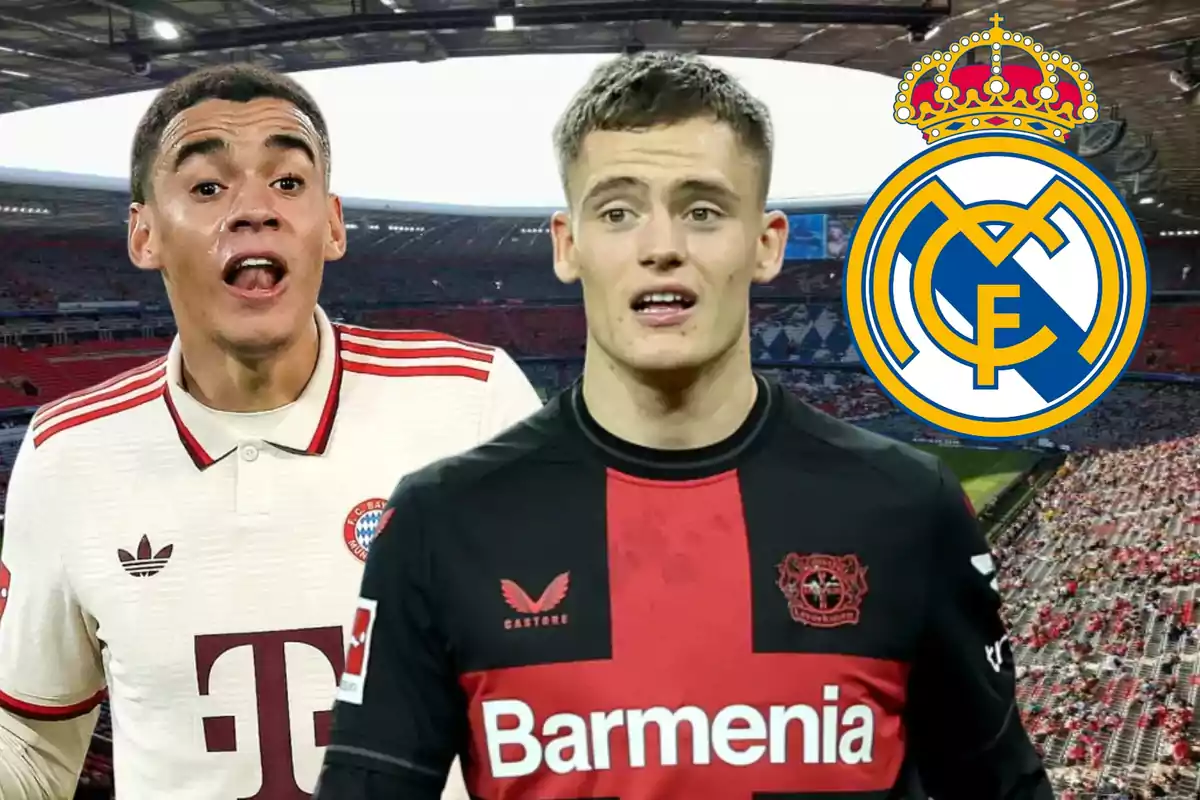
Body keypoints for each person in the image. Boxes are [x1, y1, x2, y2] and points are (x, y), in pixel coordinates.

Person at [315, 51, 1054, 799]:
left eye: (702, 210)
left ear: (765, 244)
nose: (661, 245)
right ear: (568, 246)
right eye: (617, 211)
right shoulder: (442, 523)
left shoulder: (907, 506)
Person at [0, 64, 541, 799]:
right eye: (207, 186)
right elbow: (31, 745)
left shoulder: (473, 403)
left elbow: (571, 702)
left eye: (288, 181)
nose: (254, 208)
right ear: (143, 233)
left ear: (335, 223)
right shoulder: (68, 454)